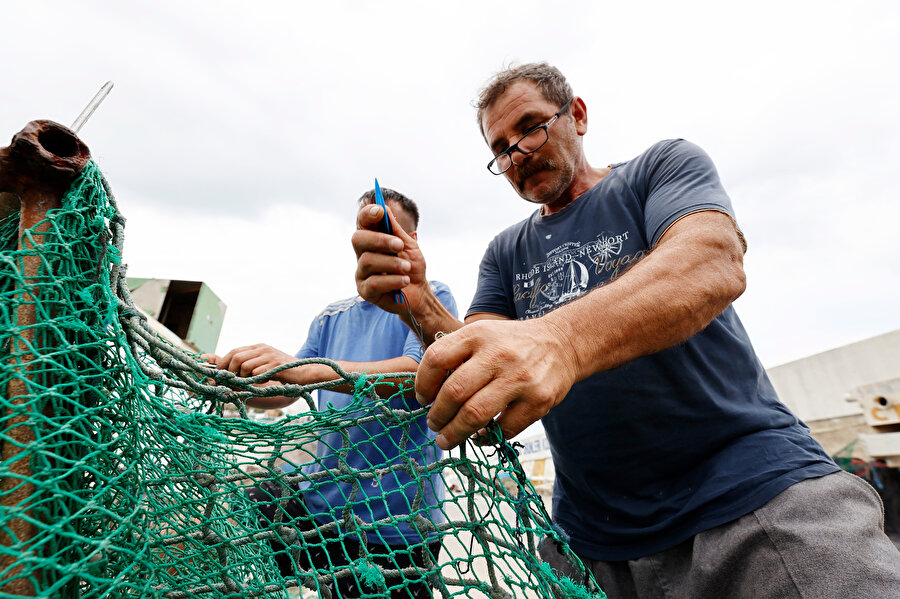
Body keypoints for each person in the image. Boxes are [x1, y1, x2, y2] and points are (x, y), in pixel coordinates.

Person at [351, 62, 900, 597]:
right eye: (500, 148)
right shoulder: (504, 252)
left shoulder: (658, 169)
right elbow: (481, 360)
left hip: (755, 499)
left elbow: (710, 261)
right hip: (593, 544)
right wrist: (418, 302)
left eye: (531, 127)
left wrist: (560, 340)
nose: (517, 153)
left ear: (578, 115)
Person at [212, 187, 457, 599]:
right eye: (365, 227)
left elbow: (420, 373)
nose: (372, 236)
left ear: (411, 241)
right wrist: (233, 381)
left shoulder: (433, 298)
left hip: (396, 524)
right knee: (241, 504)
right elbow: (285, 389)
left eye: (385, 226)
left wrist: (308, 370)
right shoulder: (331, 317)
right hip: (324, 511)